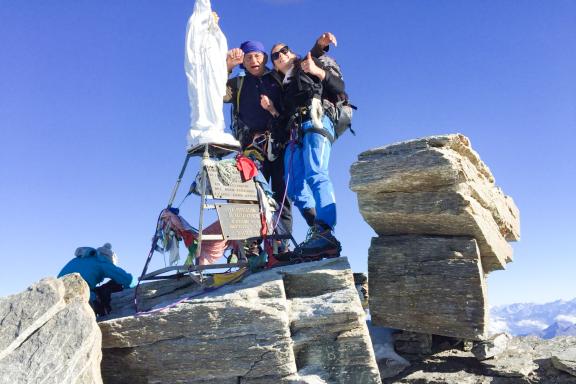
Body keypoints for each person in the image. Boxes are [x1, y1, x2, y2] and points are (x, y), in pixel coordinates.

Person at [263, 40, 344, 259]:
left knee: (316, 173)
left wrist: (318, 71)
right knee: (294, 186)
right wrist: (272, 110)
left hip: (316, 122)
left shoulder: (310, 64)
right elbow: (283, 118)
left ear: (293, 52)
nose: (280, 56)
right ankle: (320, 232)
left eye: (284, 50)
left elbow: (339, 88)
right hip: (295, 132)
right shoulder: (285, 86)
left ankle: (325, 230)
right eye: (274, 56)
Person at [224, 40, 293, 246]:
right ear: (242, 62)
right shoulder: (238, 84)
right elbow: (217, 91)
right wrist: (228, 66)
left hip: (280, 143)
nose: (253, 60)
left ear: (265, 58)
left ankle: (281, 248)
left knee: (283, 197)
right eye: (248, 57)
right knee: (250, 194)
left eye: (257, 55)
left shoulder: (277, 78)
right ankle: (251, 247)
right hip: (252, 147)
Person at [58, 243, 137, 316]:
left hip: (59, 293)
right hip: (78, 296)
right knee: (115, 284)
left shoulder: (80, 258)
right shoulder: (102, 262)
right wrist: (137, 286)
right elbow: (126, 279)